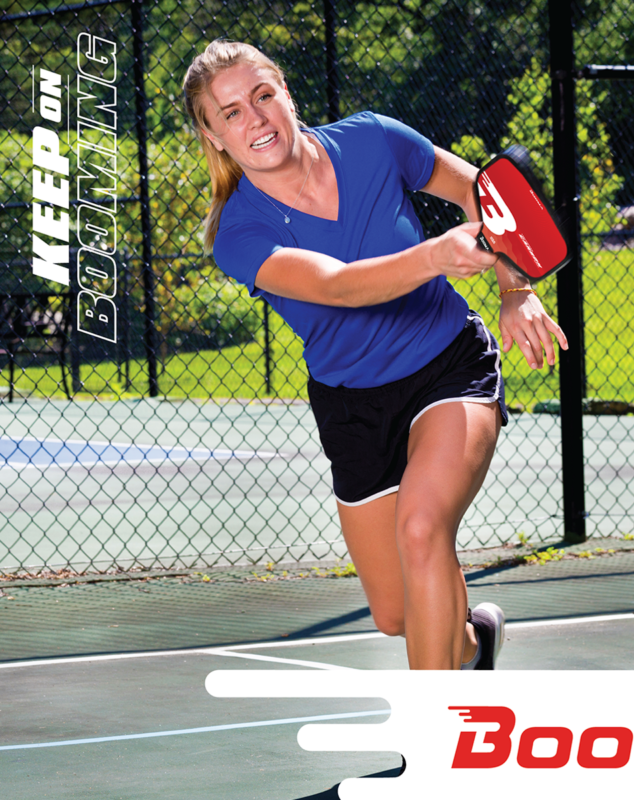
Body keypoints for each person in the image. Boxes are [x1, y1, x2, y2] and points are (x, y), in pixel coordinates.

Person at [182, 40, 568, 670]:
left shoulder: (373, 140)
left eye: (262, 96)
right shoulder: (237, 232)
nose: (253, 119)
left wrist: (514, 287)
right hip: (352, 405)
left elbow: (480, 189)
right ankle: (475, 646)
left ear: (286, 94)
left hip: (448, 366)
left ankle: (434, 746)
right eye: (229, 113)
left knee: (423, 531)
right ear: (215, 136)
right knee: (397, 613)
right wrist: (437, 256)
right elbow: (338, 287)